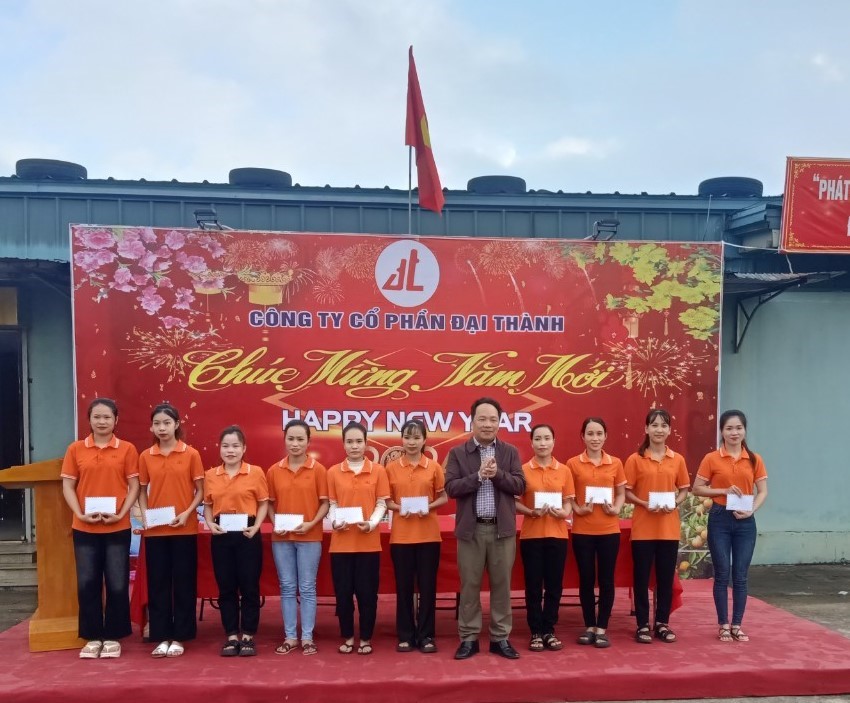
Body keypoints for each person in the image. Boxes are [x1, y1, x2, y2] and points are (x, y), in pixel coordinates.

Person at [445, 397, 526, 660]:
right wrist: (479, 476)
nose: (488, 424)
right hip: (471, 531)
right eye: (482, 419)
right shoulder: (458, 453)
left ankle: (500, 638)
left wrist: (498, 475)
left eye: (493, 419)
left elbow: (520, 485)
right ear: (472, 421)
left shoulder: (509, 452)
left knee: (502, 586)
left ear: (500, 423)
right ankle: (469, 638)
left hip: (502, 531)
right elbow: (451, 488)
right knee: (469, 586)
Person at [61, 397, 140, 659]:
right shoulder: (76, 449)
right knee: (87, 582)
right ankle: (93, 636)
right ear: (89, 420)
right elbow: (68, 486)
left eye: (107, 417)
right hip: (84, 526)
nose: (102, 422)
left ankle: (114, 636)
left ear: (116, 420)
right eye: (97, 417)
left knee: (117, 582)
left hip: (117, 526)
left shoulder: (127, 449)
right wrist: (79, 513)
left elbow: (134, 486)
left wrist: (121, 513)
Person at [693, 410, 768, 643]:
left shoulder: (754, 459)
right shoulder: (711, 458)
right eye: (729, 428)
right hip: (719, 518)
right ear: (722, 431)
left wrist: (751, 510)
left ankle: (737, 624)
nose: (734, 433)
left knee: (741, 575)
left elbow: (763, 491)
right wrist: (722, 490)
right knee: (722, 572)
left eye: (738, 428)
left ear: (744, 430)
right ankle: (723, 625)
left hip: (745, 521)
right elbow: (697, 488)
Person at [137, 403, 205, 658]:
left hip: (184, 528)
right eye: (157, 423)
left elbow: (201, 491)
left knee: (184, 584)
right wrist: (145, 516)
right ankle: (161, 635)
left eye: (167, 423)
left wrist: (186, 513)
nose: (162, 428)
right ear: (151, 427)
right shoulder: (146, 456)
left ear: (176, 424)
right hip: (156, 530)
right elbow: (141, 491)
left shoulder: (191, 454)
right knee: (158, 584)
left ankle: (180, 636)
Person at [623, 409, 690, 645]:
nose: (659, 430)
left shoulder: (677, 459)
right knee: (641, 579)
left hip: (668, 529)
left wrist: (675, 503)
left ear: (669, 430)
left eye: (663, 425)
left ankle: (662, 622)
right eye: (654, 425)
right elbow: (627, 492)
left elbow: (684, 489)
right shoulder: (635, 459)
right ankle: (642, 624)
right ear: (646, 429)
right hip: (643, 528)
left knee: (664, 578)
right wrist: (644, 503)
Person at [203, 426, 269, 657]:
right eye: (225, 446)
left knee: (249, 586)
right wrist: (210, 524)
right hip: (221, 533)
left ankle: (248, 635)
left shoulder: (256, 472)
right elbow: (208, 505)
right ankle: (231, 635)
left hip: (247, 532)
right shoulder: (211, 475)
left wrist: (257, 526)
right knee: (226, 586)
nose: (230, 451)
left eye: (235, 446)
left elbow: (263, 502)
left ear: (244, 448)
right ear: (219, 448)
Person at [267, 419, 329, 656]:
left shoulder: (318, 470)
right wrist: (275, 522)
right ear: (284, 440)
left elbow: (325, 504)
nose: (295, 443)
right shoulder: (274, 470)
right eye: (291, 439)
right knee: (287, 586)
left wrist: (312, 523)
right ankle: (290, 636)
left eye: (300, 439)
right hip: (282, 538)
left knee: (307, 587)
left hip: (310, 536)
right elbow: (269, 503)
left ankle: (308, 638)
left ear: (308, 441)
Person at [327, 421, 390, 656]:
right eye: (350, 442)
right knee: (343, 594)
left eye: (359, 441)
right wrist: (335, 521)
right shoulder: (333, 472)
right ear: (343, 444)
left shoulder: (378, 471)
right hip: (341, 544)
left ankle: (365, 638)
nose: (354, 446)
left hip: (368, 543)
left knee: (367, 595)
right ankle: (347, 636)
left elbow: (382, 503)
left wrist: (371, 524)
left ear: (366, 443)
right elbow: (332, 504)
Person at [385, 420, 447, 654]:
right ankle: (405, 635)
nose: (411, 442)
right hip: (401, 537)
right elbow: (386, 501)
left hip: (429, 536)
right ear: (401, 439)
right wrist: (400, 507)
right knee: (403, 588)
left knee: (428, 588)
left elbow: (443, 497)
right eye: (407, 437)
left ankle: (426, 635)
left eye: (416, 437)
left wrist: (428, 507)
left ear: (424, 440)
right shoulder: (391, 468)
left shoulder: (433, 467)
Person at [567, 417, 625, 649]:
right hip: (582, 530)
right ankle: (589, 625)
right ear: (582, 436)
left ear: (606, 436)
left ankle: (602, 627)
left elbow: (620, 493)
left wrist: (616, 508)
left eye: (599, 433)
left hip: (609, 530)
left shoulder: (615, 463)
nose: (595, 438)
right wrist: (578, 509)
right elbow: (568, 496)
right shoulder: (572, 463)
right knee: (586, 579)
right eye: (590, 434)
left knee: (607, 579)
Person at [515, 423, 574, 652]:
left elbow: (568, 503)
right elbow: (514, 502)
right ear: (531, 443)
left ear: (554, 441)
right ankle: (535, 631)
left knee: (554, 586)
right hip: (531, 536)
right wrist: (530, 512)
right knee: (533, 586)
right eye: (538, 439)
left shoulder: (564, 470)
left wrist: (563, 512)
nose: (542, 443)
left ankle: (549, 629)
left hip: (557, 535)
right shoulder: (522, 470)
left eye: (547, 438)